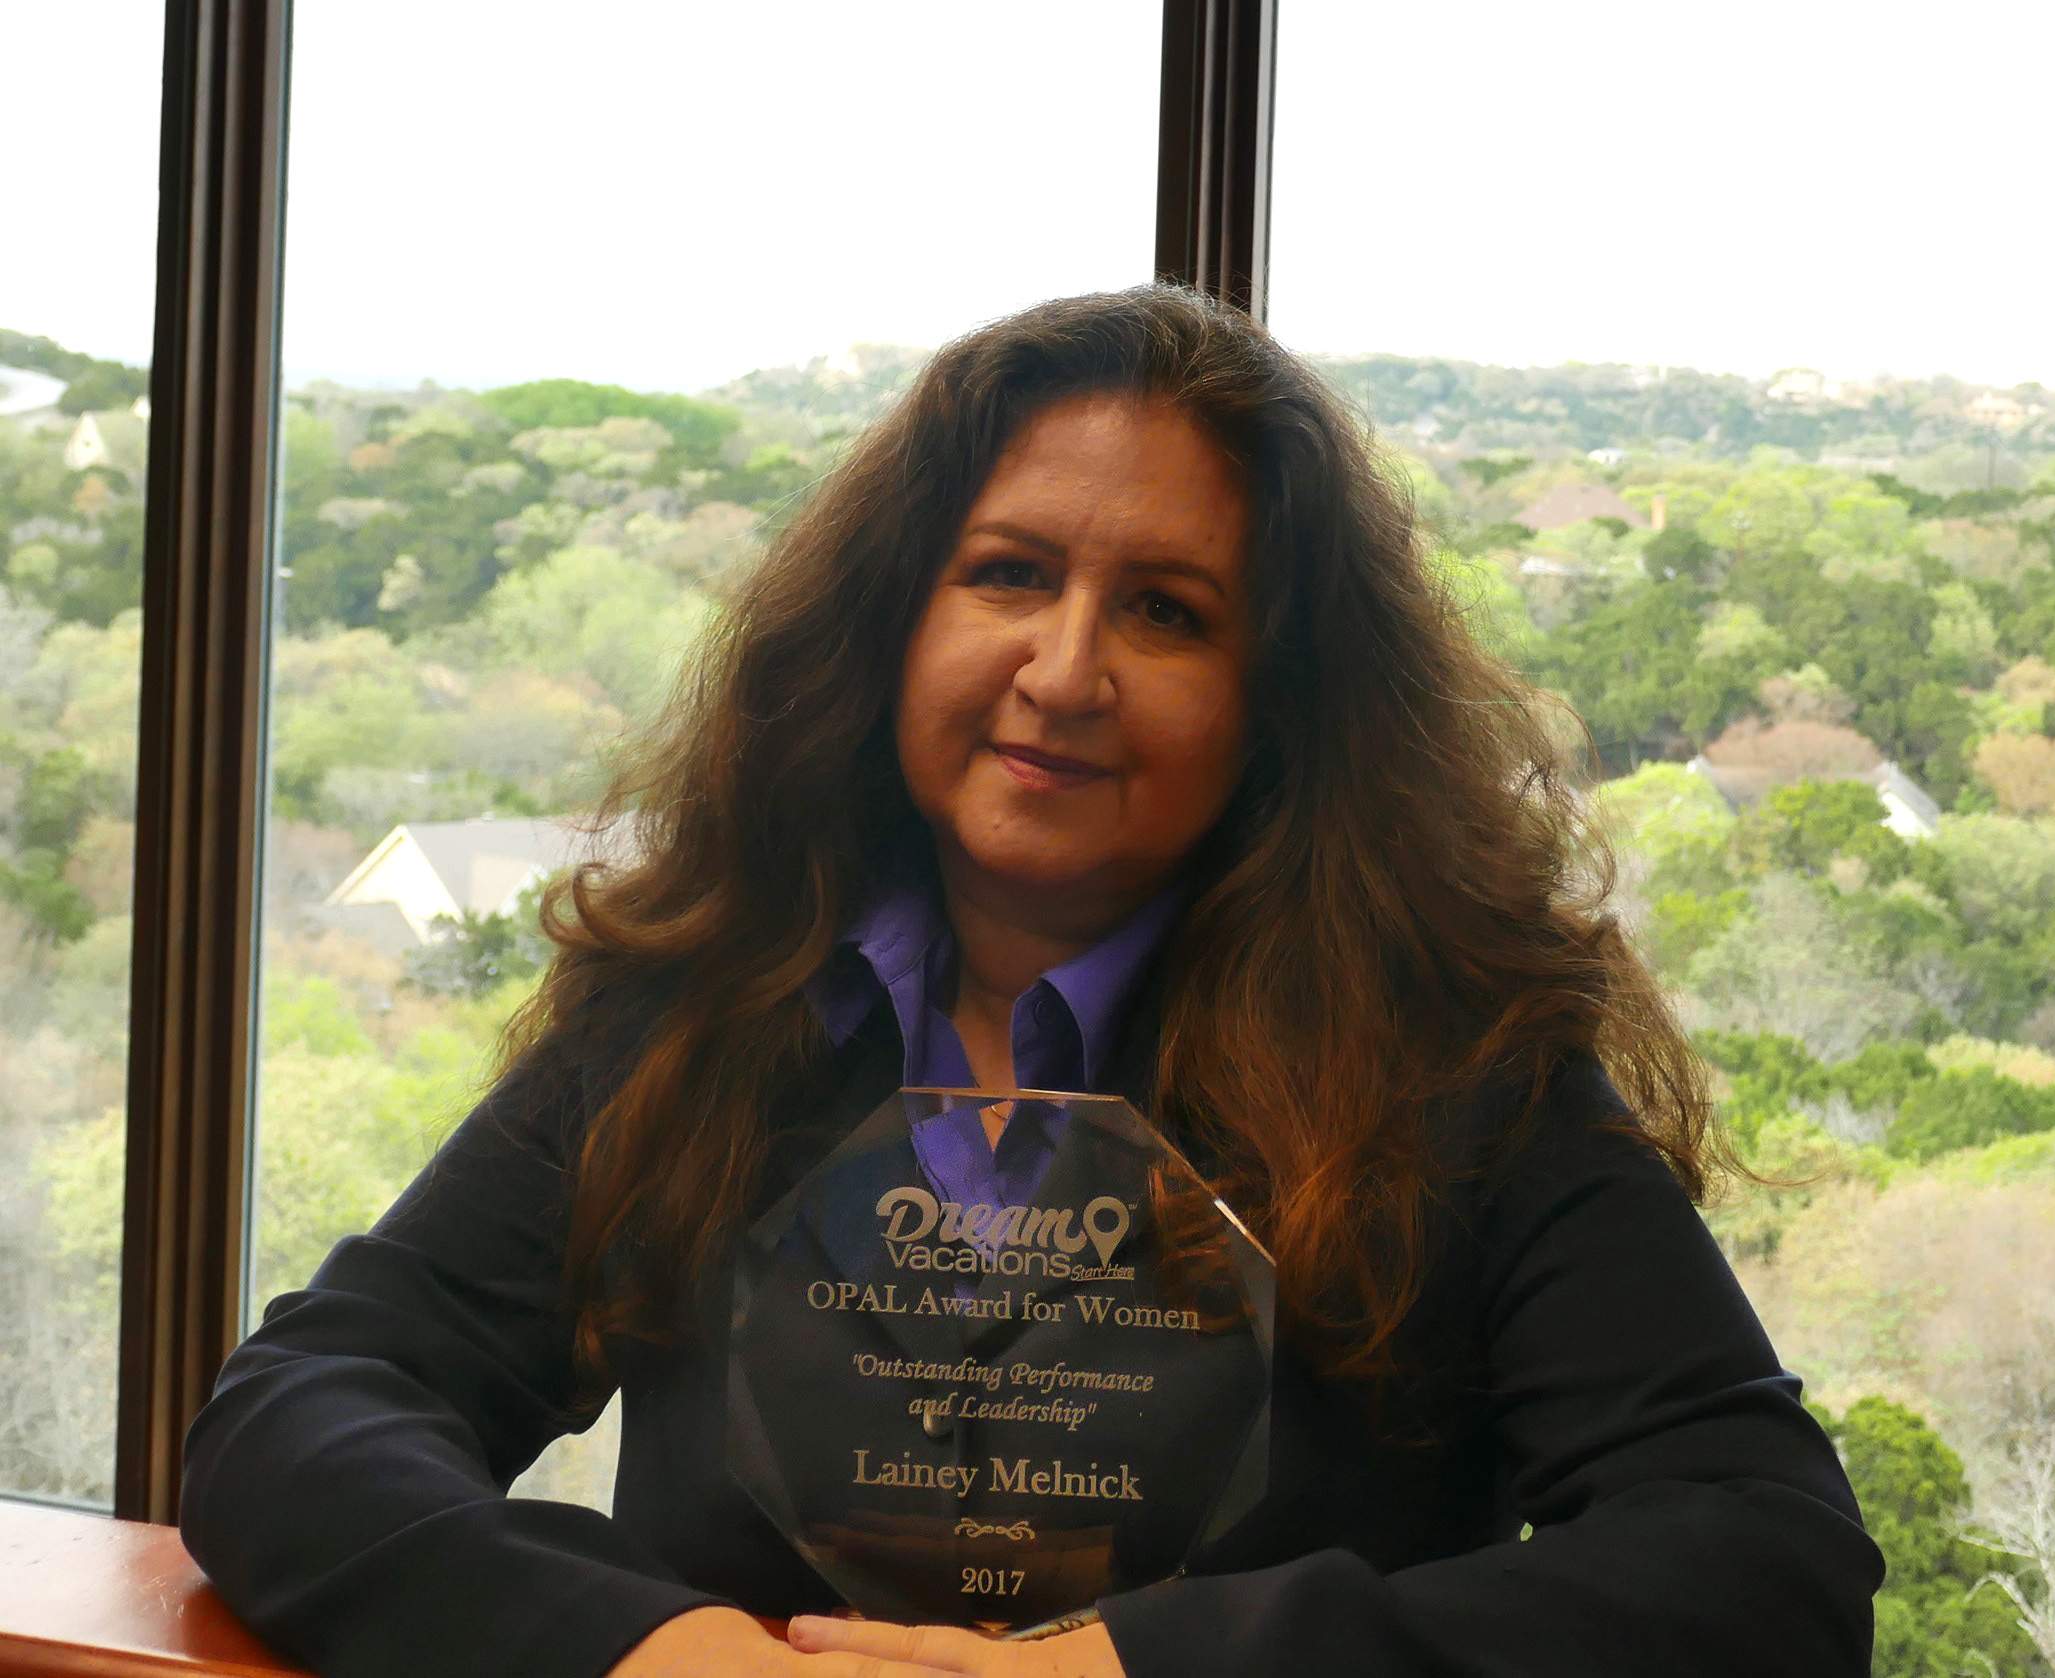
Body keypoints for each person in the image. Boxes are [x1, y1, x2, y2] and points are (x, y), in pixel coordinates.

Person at [179, 285, 1885, 1677]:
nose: (1062, 672)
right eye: (1007, 574)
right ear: (888, 622)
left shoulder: (1456, 1065)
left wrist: (1145, 1675)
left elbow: (1756, 1555)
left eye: (1165, 611)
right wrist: (647, 1647)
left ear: (1274, 700)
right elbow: (305, 1411)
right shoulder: (705, 1008)